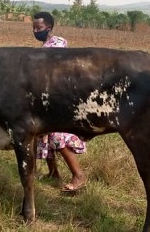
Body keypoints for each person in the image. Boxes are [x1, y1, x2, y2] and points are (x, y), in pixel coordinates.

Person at [31, 11, 88, 192]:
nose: (35, 30)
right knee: (42, 133)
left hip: (59, 96)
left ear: (49, 27)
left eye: (38, 28)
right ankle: (53, 172)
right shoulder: (44, 46)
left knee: (56, 135)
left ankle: (79, 175)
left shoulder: (57, 43)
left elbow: (54, 69)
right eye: (33, 27)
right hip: (45, 96)